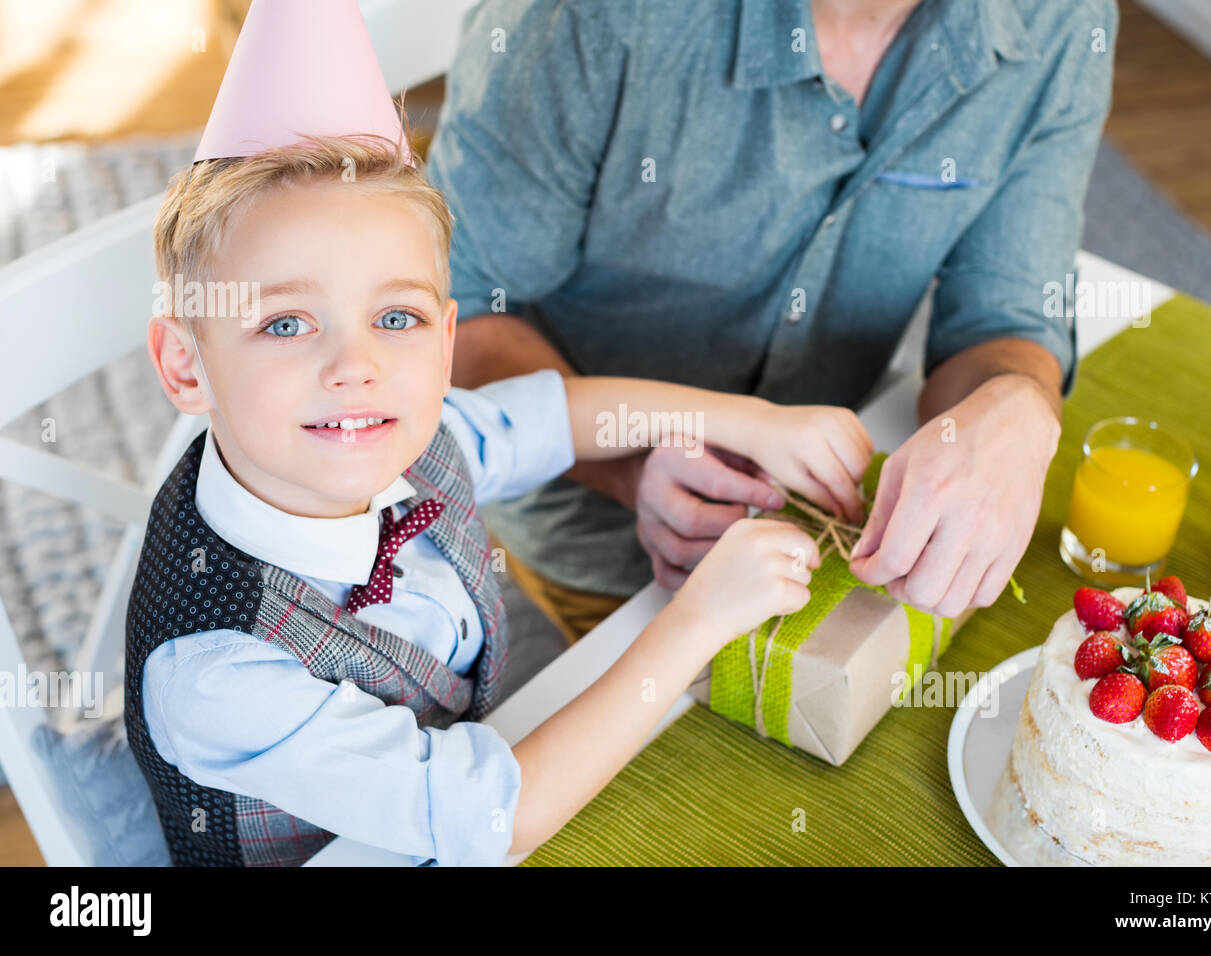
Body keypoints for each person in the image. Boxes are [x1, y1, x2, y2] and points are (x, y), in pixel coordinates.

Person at [127, 46, 881, 861]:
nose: (357, 368)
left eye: (397, 318)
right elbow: (490, 814)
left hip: (494, 747)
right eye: (284, 324)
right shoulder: (213, 672)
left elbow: (558, 416)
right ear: (183, 364)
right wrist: (698, 622)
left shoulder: (399, 431)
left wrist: (753, 422)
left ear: (446, 343)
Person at [429, 0, 1117, 639]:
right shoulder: (584, 18)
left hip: (827, 531)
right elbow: (451, 317)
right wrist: (636, 466)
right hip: (591, 533)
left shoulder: (1060, 22)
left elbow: (1003, 316)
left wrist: (1019, 404)